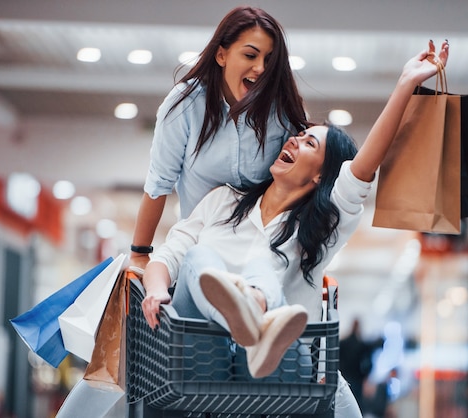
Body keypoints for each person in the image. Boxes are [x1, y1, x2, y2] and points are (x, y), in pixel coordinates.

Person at [139, 37, 449, 402]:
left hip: (275, 373)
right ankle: (255, 317)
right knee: (194, 258)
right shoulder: (223, 201)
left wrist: (406, 84)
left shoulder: (322, 228)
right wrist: (158, 290)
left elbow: (364, 168)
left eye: (310, 145)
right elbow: (166, 257)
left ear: (322, 176)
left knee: (260, 268)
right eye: (299, 136)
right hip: (207, 366)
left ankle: (257, 309)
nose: (294, 142)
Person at [128, 6, 308, 270]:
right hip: (199, 246)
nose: (260, 69)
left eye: (269, 61)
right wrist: (140, 254)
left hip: (260, 251)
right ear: (221, 55)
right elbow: (159, 183)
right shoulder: (185, 104)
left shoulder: (281, 111)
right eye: (250, 55)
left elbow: (300, 185)